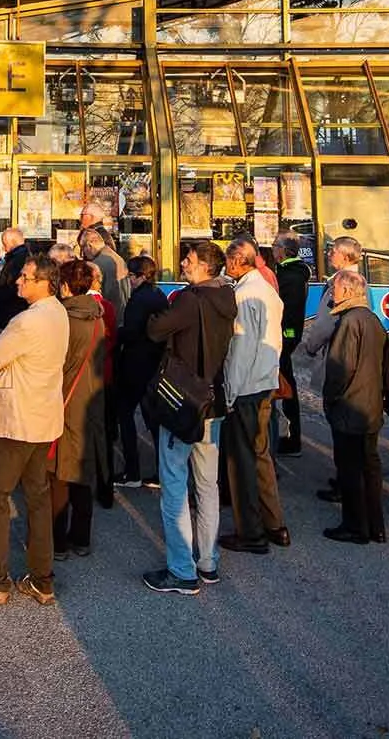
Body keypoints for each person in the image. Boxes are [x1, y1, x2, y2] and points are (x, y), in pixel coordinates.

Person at [0, 252, 67, 608]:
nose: (17, 281)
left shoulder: (27, 321)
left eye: (24, 277)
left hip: (17, 419)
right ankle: (41, 578)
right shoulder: (58, 313)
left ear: (43, 282)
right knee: (37, 496)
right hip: (43, 416)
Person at [140, 242, 237, 594]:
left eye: (190, 260)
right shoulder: (227, 298)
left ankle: (182, 569)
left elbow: (154, 329)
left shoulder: (189, 299)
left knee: (175, 485)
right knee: (207, 485)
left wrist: (165, 312)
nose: (183, 262)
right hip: (214, 399)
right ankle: (207, 561)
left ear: (205, 268)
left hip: (184, 402)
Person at [218, 238, 288, 554]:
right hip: (265, 380)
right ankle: (275, 523)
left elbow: (240, 351)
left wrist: (230, 394)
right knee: (260, 455)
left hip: (247, 385)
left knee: (241, 460)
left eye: (227, 261)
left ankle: (251, 532)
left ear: (236, 262)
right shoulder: (265, 290)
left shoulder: (245, 295)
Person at [315, 270, 388, 544]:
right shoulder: (371, 319)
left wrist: (330, 398)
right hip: (370, 403)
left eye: (334, 289)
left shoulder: (349, 321)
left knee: (350, 468)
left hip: (350, 405)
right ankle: (375, 524)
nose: (331, 294)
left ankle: (355, 525)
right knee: (369, 466)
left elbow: (339, 368)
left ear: (346, 291)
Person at [50, 258, 109, 559]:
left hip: (65, 400)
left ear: (65, 285)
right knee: (83, 472)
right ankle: (81, 538)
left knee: (60, 473)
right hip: (91, 400)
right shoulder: (96, 317)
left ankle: (58, 541)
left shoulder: (64, 320)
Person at [114, 255, 169, 489]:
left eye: (131, 276)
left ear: (139, 276)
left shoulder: (139, 299)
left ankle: (132, 471)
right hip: (154, 362)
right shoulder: (157, 295)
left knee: (125, 414)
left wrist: (115, 334)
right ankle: (161, 471)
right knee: (153, 419)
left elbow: (132, 331)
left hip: (137, 363)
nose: (129, 280)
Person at [273, 234, 311, 457]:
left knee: (286, 384)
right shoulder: (287, 273)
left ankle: (292, 436)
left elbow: (290, 312)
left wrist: (285, 335)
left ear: (284, 250)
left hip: (284, 335)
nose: (273, 249)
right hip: (284, 334)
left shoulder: (291, 276)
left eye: (276, 245)